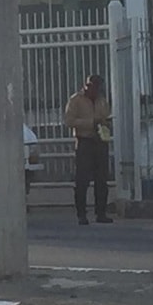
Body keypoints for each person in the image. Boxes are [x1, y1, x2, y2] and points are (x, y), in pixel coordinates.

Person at [64, 74, 113, 225]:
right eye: (93, 87)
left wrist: (105, 123)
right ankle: (81, 214)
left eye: (98, 88)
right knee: (82, 180)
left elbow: (106, 116)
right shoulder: (76, 100)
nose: (96, 90)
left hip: (100, 141)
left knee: (102, 179)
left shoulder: (101, 100)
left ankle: (101, 213)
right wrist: (91, 122)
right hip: (84, 141)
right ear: (87, 86)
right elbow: (69, 121)